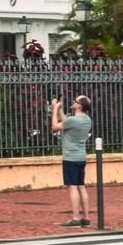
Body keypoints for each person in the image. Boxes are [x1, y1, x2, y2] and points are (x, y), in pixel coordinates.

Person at [52, 94, 94, 227]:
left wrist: (54, 109)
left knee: (72, 187)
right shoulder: (87, 120)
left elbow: (55, 126)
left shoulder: (74, 121)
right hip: (81, 157)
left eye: (75, 101)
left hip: (70, 158)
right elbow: (66, 122)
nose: (73, 102)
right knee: (81, 186)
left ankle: (76, 218)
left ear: (79, 106)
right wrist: (60, 109)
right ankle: (86, 218)